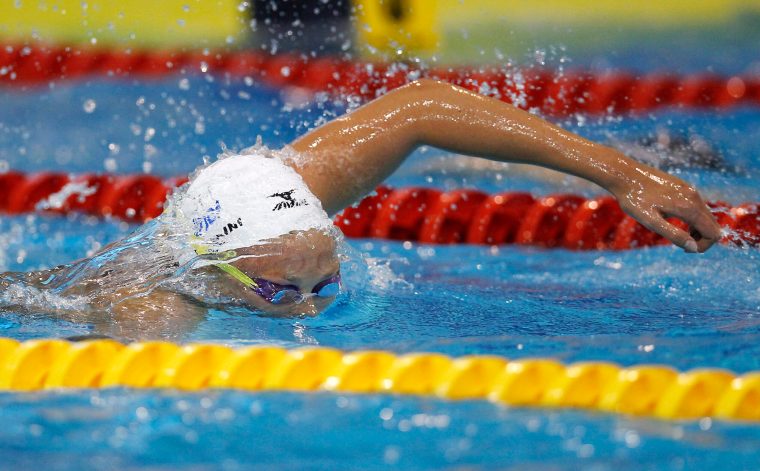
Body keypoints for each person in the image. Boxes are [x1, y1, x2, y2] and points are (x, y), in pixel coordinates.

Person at [1, 79, 722, 339]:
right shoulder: (161, 307)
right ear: (213, 276)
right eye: (282, 292)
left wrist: (625, 173)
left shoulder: (291, 186)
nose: (313, 311)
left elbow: (423, 105)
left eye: (327, 281)